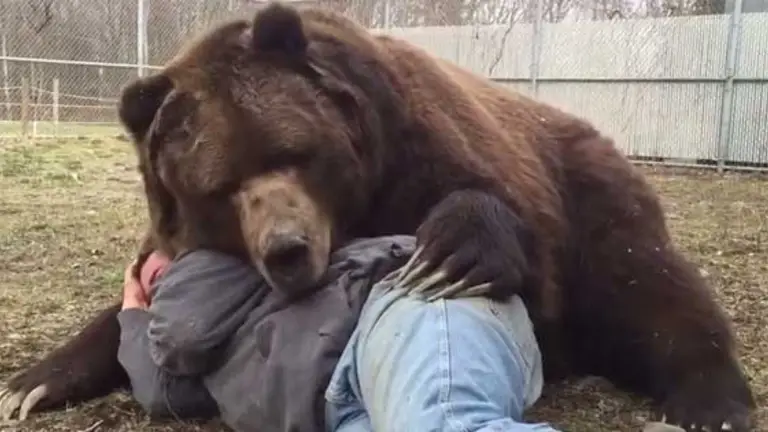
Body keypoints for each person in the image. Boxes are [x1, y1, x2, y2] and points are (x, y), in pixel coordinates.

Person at [117, 235, 561, 431]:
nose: (163, 292)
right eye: (155, 290)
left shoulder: (210, 258)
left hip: (406, 308)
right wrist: (135, 313)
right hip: (347, 404)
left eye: (161, 276)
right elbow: (163, 392)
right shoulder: (227, 356)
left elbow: (183, 334)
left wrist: (135, 305)